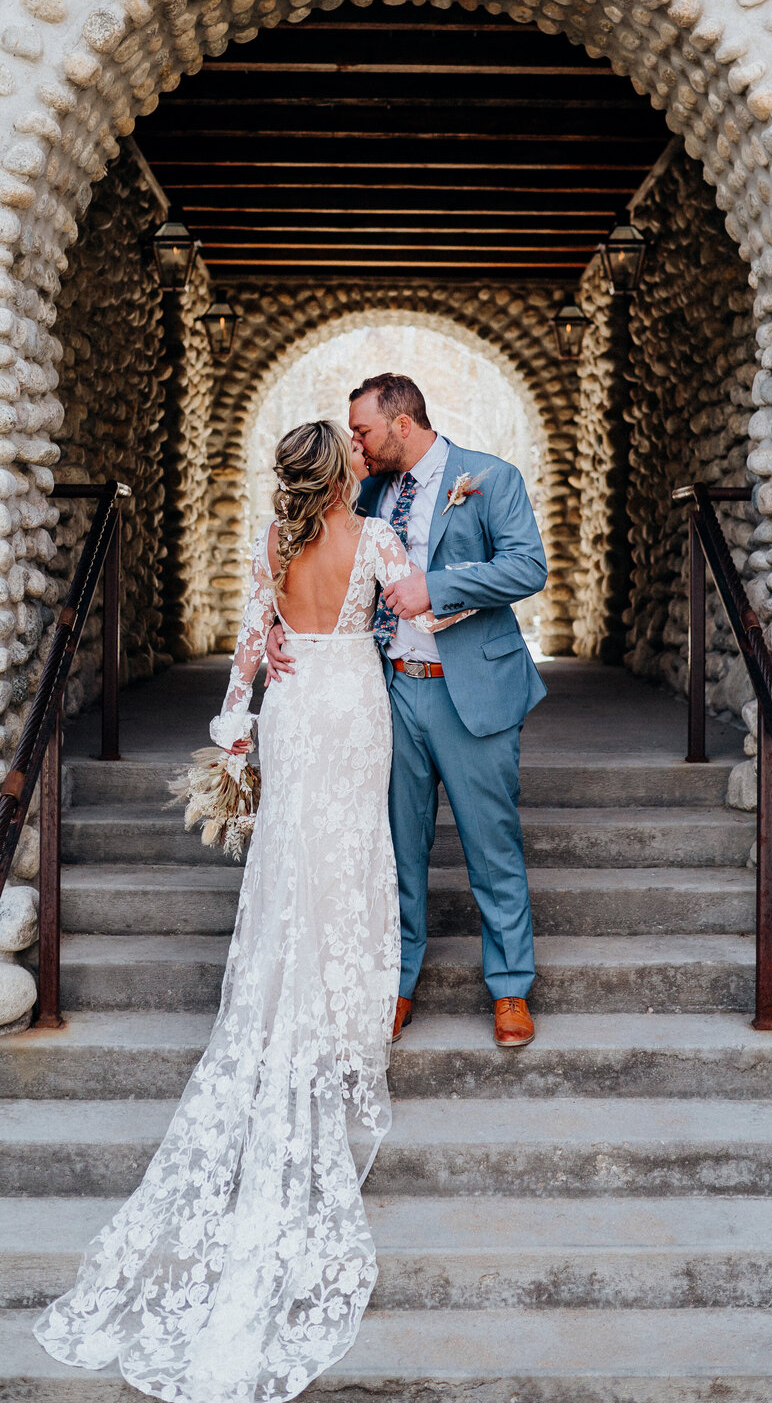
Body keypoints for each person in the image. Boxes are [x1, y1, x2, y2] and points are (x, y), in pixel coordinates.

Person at [35, 420, 461, 1403]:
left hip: (293, 709)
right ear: (344, 472)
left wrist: (235, 735)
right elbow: (414, 626)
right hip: (353, 704)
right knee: (356, 859)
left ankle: (289, 995)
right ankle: (348, 1015)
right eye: (354, 457)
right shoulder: (381, 542)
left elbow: (249, 649)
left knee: (292, 860)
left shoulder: (274, 543)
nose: (365, 461)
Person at [267, 373, 547, 1051]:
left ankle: (510, 987)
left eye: (361, 429)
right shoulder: (366, 492)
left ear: (400, 422)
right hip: (389, 691)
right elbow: (310, 558)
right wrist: (278, 626)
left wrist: (437, 586)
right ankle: (396, 983)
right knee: (396, 847)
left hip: (471, 687)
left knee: (492, 844)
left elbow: (527, 567)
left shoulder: (490, 477)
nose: (354, 442)